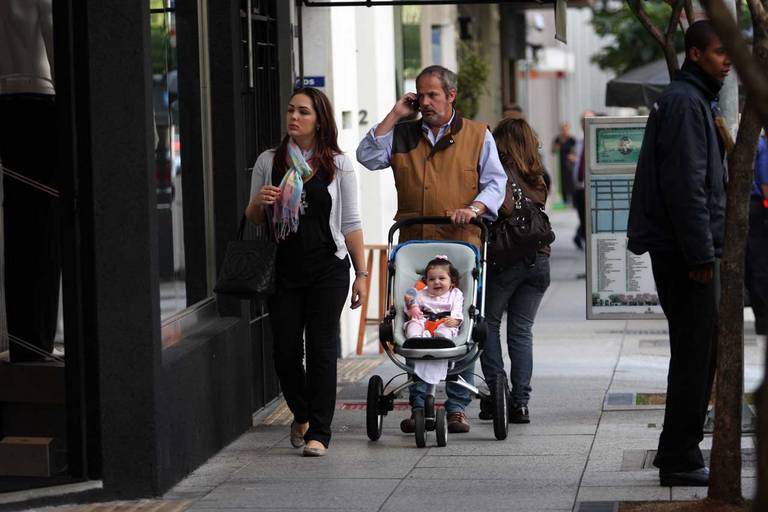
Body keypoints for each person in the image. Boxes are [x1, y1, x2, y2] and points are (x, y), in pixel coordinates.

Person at [356, 65, 506, 434]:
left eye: (432, 95)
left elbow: (495, 183)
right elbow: (367, 156)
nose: (424, 102)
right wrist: (395, 115)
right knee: (415, 319)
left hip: (461, 244)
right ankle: (419, 402)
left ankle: (456, 406)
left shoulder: (477, 134)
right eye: (419, 95)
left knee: (462, 320)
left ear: (451, 95)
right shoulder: (403, 133)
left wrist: (473, 210)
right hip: (414, 245)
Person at [627, 20, 730, 487]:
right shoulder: (687, 104)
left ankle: (681, 450)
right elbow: (686, 187)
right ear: (694, 54)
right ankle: (680, 455)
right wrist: (699, 256)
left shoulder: (691, 100)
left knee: (698, 351)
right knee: (694, 353)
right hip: (686, 252)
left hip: (684, 248)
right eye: (719, 51)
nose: (727, 59)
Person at [245, 87, 367, 457]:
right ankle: (301, 413)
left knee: (321, 349)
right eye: (290, 110)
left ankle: (320, 431)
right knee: (284, 352)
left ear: (319, 120)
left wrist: (362, 273)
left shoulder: (339, 164)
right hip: (283, 269)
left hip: (328, 268)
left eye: (303, 112)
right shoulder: (270, 161)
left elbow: (350, 222)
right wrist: (259, 204)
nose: (293, 117)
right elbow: (252, 219)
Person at [478, 118, 552, 425]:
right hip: (539, 261)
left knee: (487, 324)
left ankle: (499, 396)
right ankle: (521, 403)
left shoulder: (499, 173)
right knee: (521, 332)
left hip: (507, 261)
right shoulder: (537, 176)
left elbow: (501, 208)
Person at [0, 0, 59, 362]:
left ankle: (22, 337)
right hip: (41, 99)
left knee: (17, 220)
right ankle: (39, 336)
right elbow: (54, 37)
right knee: (45, 223)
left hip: (4, 103)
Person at [403, 256, 464, 340]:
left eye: (442, 278)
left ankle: (441, 339)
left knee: (447, 330)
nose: (436, 282)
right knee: (413, 324)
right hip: (424, 321)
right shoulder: (422, 293)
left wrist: (456, 320)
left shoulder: (455, 293)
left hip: (444, 322)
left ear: (452, 281)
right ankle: (415, 339)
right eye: (431, 279)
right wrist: (410, 304)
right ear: (426, 281)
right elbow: (412, 309)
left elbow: (458, 308)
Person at [746, 133, 768, 336]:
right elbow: (766, 186)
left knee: (757, 264)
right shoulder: (764, 146)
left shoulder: (757, 143)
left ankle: (762, 318)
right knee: (761, 265)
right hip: (760, 209)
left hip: (751, 209)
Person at [569, 111, 594, 251]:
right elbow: (578, 161)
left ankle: (584, 240)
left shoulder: (596, 140)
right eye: (582, 120)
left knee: (589, 219)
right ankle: (583, 240)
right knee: (582, 218)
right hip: (579, 187)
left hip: (590, 187)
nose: (585, 123)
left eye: (588, 119)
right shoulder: (579, 142)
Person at [551, 122, 576, 204]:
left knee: (570, 181)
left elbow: (575, 151)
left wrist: (572, 155)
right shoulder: (557, 139)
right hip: (560, 163)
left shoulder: (572, 139)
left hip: (569, 164)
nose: (565, 131)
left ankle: (572, 200)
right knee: (561, 181)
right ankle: (563, 200)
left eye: (566, 129)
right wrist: (555, 148)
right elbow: (553, 150)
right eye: (563, 129)